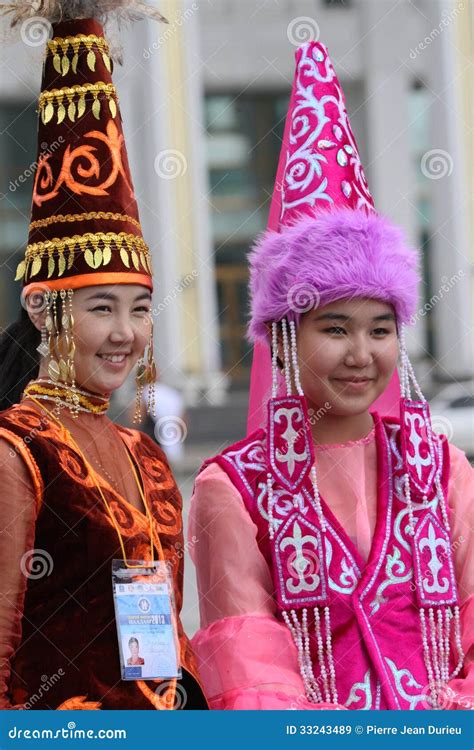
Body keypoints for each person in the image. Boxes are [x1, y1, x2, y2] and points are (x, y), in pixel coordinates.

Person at [188, 41, 473, 710]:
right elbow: (249, 675)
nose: (361, 353)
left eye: (380, 329)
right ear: (282, 341)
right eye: (335, 328)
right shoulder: (232, 490)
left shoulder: (442, 469)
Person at [0, 2, 207, 710]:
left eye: (140, 308)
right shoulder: (18, 451)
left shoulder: (143, 453)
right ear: (40, 307)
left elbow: (164, 636)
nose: (125, 332)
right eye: (100, 308)